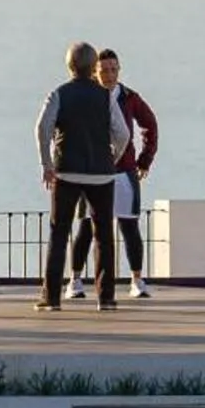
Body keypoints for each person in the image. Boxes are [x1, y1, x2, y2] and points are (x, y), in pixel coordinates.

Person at [35, 39, 132, 311]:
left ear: (69, 66)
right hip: (101, 175)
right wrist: (111, 157)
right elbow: (123, 133)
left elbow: (42, 130)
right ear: (93, 67)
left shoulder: (58, 94)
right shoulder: (106, 97)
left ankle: (51, 298)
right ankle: (106, 298)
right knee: (104, 236)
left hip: (66, 172)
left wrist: (46, 164)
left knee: (59, 232)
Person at [70, 47, 160, 298]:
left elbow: (150, 124)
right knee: (86, 227)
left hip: (124, 172)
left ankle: (137, 280)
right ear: (94, 72)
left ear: (119, 70)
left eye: (113, 69)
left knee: (129, 226)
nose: (109, 75)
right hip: (92, 173)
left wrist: (144, 159)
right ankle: (75, 280)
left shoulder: (129, 97)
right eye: (104, 70)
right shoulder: (87, 97)